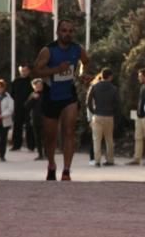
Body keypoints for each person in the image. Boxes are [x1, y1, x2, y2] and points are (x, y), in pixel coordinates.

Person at [33, 19, 92, 181]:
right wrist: (56, 70)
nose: (67, 34)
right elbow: (36, 70)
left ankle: (66, 170)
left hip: (69, 96)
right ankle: (51, 164)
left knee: (69, 131)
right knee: (50, 136)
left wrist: (82, 74)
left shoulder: (77, 49)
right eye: (64, 31)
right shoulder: (48, 51)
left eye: (71, 31)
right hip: (51, 96)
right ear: (58, 32)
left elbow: (86, 62)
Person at [87, 68, 120, 167]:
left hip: (98, 115)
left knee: (96, 139)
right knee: (109, 139)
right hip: (109, 116)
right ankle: (110, 159)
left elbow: (88, 101)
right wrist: (114, 112)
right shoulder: (114, 88)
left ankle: (97, 160)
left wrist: (93, 111)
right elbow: (117, 104)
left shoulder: (94, 86)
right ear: (110, 77)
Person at [128, 68, 145, 165]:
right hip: (139, 116)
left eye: (140, 76)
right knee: (138, 138)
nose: (139, 78)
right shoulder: (142, 87)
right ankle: (137, 158)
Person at [9, 64, 34, 151]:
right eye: (22, 70)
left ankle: (31, 146)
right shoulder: (16, 81)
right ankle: (16, 145)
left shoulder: (32, 81)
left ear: (29, 71)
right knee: (17, 125)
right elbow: (12, 94)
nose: (24, 72)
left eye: (26, 70)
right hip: (18, 106)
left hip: (29, 107)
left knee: (29, 126)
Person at [24, 78, 46, 160]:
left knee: (46, 138)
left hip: (46, 119)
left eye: (40, 85)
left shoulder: (46, 94)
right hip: (35, 119)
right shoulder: (32, 95)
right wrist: (32, 98)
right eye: (36, 86)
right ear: (33, 87)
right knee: (37, 138)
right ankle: (40, 154)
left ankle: (47, 154)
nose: (39, 87)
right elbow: (26, 106)